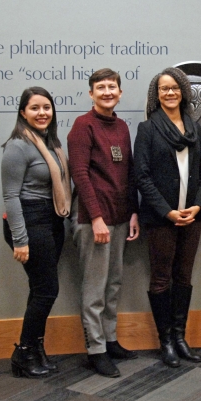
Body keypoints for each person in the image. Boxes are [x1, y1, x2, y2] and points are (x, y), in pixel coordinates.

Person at [134, 67, 201, 368]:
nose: (170, 93)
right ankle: (165, 341)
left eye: (175, 88)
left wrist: (198, 206)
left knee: (184, 277)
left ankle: (180, 338)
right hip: (160, 220)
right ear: (157, 94)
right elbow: (141, 177)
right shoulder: (148, 130)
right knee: (161, 278)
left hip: (192, 219)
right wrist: (166, 211)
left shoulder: (195, 129)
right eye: (164, 89)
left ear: (183, 92)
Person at [68, 68, 140, 378]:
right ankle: (95, 350)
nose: (107, 92)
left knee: (112, 286)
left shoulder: (122, 126)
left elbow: (129, 173)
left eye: (112, 87)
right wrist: (96, 218)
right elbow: (80, 175)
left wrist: (133, 212)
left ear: (120, 93)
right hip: (93, 220)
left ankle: (110, 340)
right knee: (94, 290)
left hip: (120, 218)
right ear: (91, 93)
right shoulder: (82, 127)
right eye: (101, 87)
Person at [1, 87, 72, 377]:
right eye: (34, 108)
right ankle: (23, 353)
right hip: (29, 221)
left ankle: (36, 348)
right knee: (47, 291)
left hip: (51, 219)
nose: (42, 113)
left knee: (40, 290)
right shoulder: (18, 146)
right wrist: (20, 240)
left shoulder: (50, 143)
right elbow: (11, 197)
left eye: (46, 107)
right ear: (23, 113)